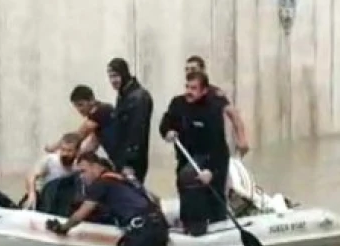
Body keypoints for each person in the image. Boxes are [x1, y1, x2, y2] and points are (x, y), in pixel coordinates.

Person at [46, 153, 169, 246]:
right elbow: (155, 199)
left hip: (142, 232)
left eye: (83, 171)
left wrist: (63, 228)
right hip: (159, 229)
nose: (82, 177)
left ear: (95, 166)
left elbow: (82, 213)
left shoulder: (100, 183)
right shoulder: (123, 179)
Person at [159, 71, 243, 236]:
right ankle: (187, 223)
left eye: (194, 88)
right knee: (184, 182)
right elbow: (165, 122)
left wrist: (211, 171)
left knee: (207, 190)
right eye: (187, 87)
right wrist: (167, 131)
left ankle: (215, 226)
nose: (189, 91)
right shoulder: (178, 103)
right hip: (186, 156)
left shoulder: (212, 109)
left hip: (212, 158)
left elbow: (218, 146)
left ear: (204, 91)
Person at [184, 55, 250, 156]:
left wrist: (241, 139)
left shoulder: (214, 93)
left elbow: (233, 114)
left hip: (213, 151)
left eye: (193, 69)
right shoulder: (185, 96)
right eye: (187, 69)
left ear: (203, 70)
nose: (189, 72)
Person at [106, 58, 154, 183]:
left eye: (115, 76)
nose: (113, 81)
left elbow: (137, 132)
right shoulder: (124, 95)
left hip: (132, 162)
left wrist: (129, 163)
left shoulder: (139, 97)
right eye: (110, 77)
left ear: (124, 74)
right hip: (122, 159)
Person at [46, 85, 119, 162]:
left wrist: (54, 147)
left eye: (81, 105)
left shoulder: (100, 112)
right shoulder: (100, 116)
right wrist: (78, 157)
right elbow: (93, 143)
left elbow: (77, 136)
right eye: (76, 106)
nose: (79, 109)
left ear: (91, 100)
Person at [23, 133, 81, 215]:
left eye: (69, 151)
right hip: (47, 199)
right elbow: (31, 176)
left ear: (77, 151)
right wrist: (32, 194)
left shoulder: (79, 164)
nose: (65, 154)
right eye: (63, 150)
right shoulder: (51, 160)